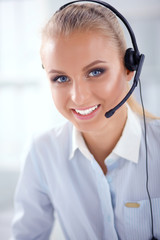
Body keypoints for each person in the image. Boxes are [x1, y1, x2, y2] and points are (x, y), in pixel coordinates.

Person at [11, 1, 160, 240]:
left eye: (95, 72)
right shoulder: (42, 152)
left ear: (130, 68)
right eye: (60, 78)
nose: (78, 97)